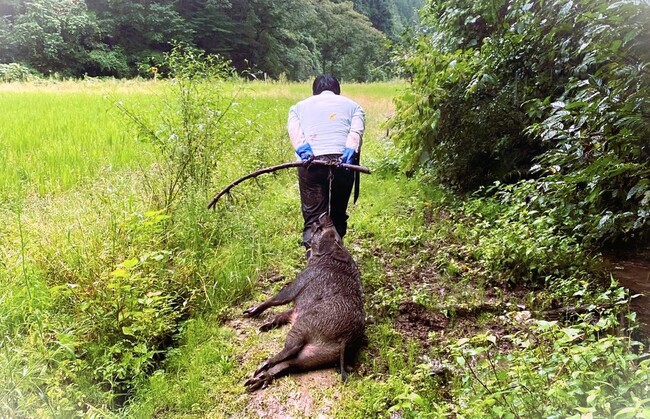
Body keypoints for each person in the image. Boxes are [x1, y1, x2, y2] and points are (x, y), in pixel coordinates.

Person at [287, 74, 365, 257]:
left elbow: (295, 131)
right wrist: (348, 150)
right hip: (343, 164)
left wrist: (303, 150)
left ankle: (313, 256)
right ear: (337, 91)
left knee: (313, 214)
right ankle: (336, 254)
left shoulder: (298, 108)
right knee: (337, 211)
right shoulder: (354, 106)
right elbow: (356, 132)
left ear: (315, 92)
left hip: (311, 163)